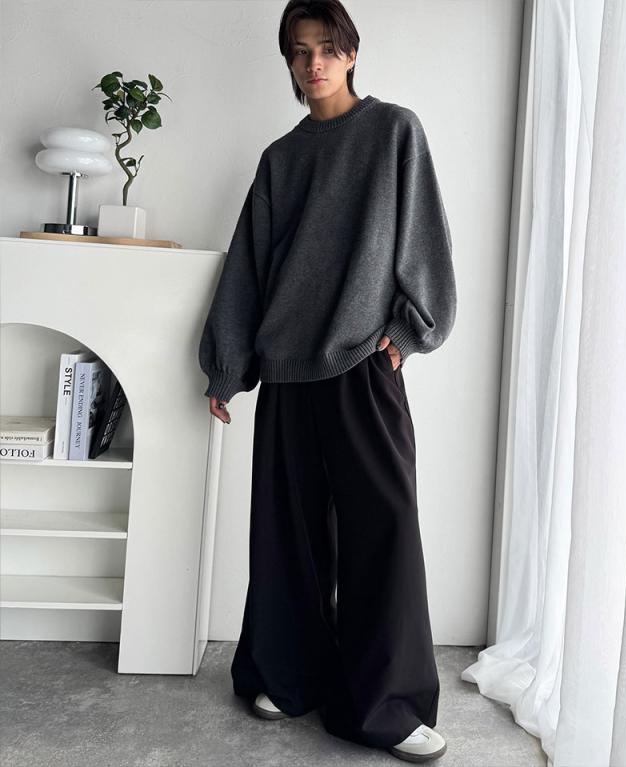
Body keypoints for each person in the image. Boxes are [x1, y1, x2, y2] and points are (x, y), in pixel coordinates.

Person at [198, 0, 457, 761]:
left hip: (361, 364)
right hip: (287, 371)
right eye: (300, 50)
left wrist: (407, 331)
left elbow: (426, 241)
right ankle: (290, 675)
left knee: (383, 531)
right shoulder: (280, 159)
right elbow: (249, 267)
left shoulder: (394, 131)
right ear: (288, 61)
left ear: (351, 52)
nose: (314, 63)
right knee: (289, 536)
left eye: (327, 48)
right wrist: (227, 368)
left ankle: (390, 706)